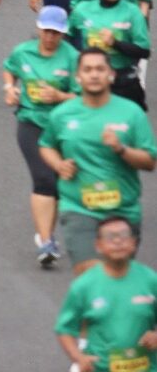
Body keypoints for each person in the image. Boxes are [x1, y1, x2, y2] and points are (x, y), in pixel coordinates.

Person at [40, 49, 157, 271]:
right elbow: (46, 145)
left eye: (100, 69)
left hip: (123, 209)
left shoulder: (131, 113)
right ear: (78, 77)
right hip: (79, 207)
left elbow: (150, 161)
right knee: (92, 274)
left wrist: (121, 149)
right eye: (88, 70)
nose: (94, 75)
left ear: (111, 75)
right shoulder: (62, 114)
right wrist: (58, 164)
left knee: (117, 278)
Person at [3, 5, 81, 268]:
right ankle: (46, 241)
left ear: (63, 34)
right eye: (46, 31)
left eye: (56, 33)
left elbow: (82, 97)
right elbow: (9, 68)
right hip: (30, 122)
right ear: (38, 29)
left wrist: (60, 96)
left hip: (61, 128)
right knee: (43, 178)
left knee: (57, 184)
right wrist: (9, 88)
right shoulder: (23, 51)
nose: (50, 37)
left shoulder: (71, 57)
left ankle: (45, 234)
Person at [55, 216, 157, 372]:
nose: (118, 242)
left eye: (123, 236)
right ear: (98, 245)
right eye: (110, 237)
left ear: (133, 243)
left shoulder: (151, 280)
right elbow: (65, 329)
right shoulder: (84, 286)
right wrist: (78, 358)